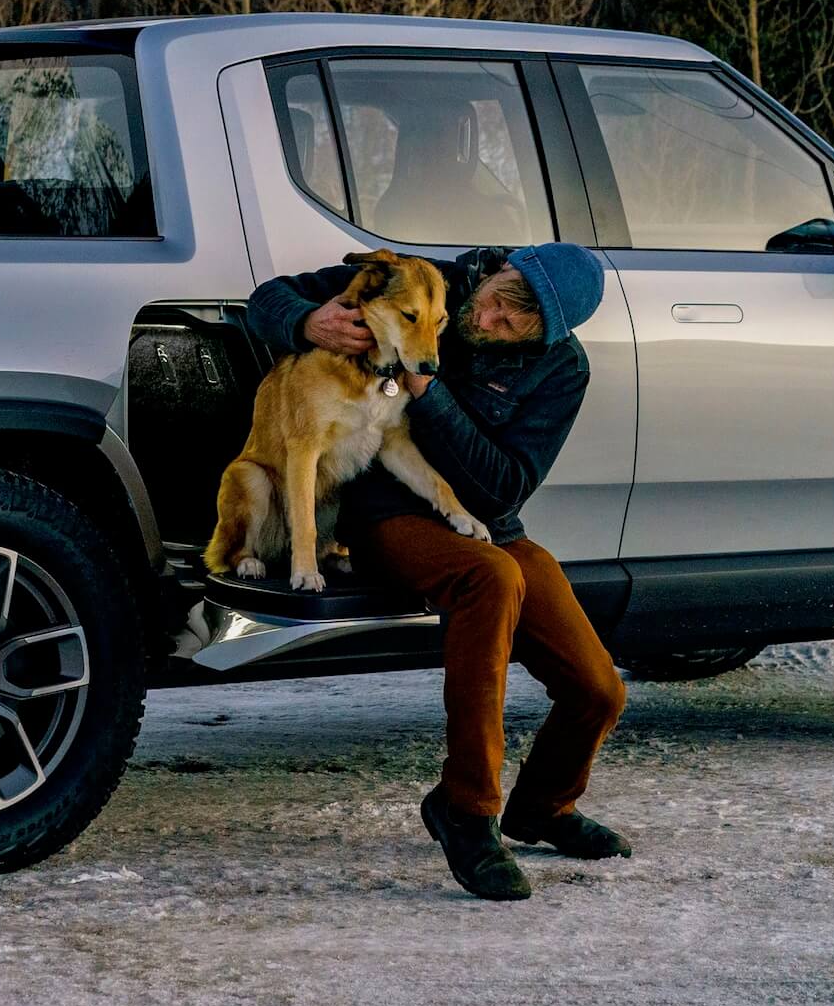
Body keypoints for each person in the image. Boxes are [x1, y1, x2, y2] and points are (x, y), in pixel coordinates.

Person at [245, 242, 629, 901]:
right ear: (506, 267)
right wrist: (307, 322)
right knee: (491, 580)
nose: (494, 319)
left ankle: (543, 808)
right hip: (381, 510)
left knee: (599, 688)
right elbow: (268, 297)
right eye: (502, 297)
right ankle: (468, 808)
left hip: (480, 520)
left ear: (552, 334)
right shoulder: (426, 282)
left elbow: (501, 488)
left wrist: (427, 388)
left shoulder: (561, 369)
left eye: (520, 321)